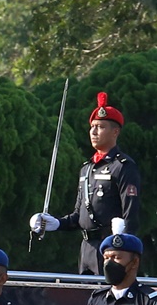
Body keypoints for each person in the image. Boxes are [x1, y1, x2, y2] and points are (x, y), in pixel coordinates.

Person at [28, 92, 143, 274]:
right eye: (92, 127)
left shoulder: (122, 166)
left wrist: (122, 251)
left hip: (111, 247)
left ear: (115, 132)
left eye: (101, 127)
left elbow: (130, 215)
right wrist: (56, 223)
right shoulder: (87, 168)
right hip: (86, 248)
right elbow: (78, 215)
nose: (94, 132)